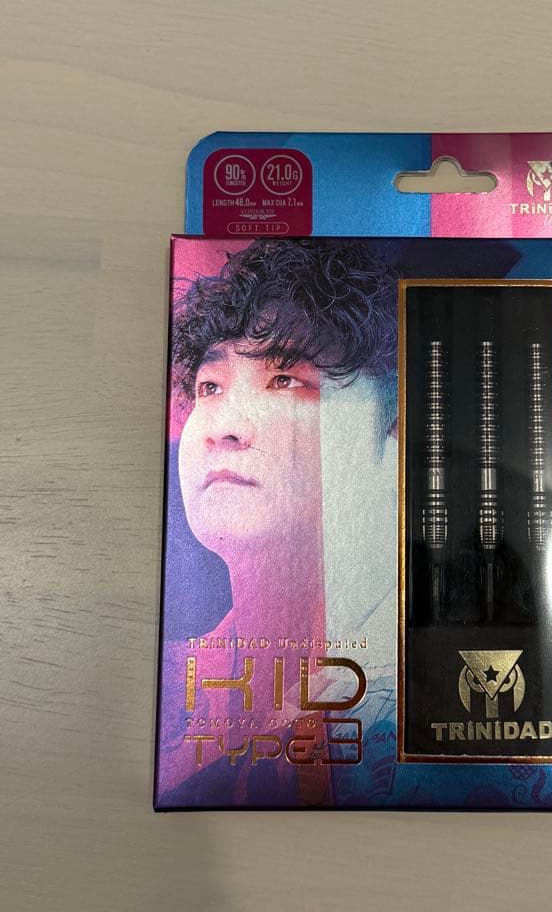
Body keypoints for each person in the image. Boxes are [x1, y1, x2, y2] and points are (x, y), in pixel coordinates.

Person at [157, 238, 400, 805]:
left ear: (395, 441)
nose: (225, 426)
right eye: (210, 387)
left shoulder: (427, 689)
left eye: (285, 381)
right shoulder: (173, 683)